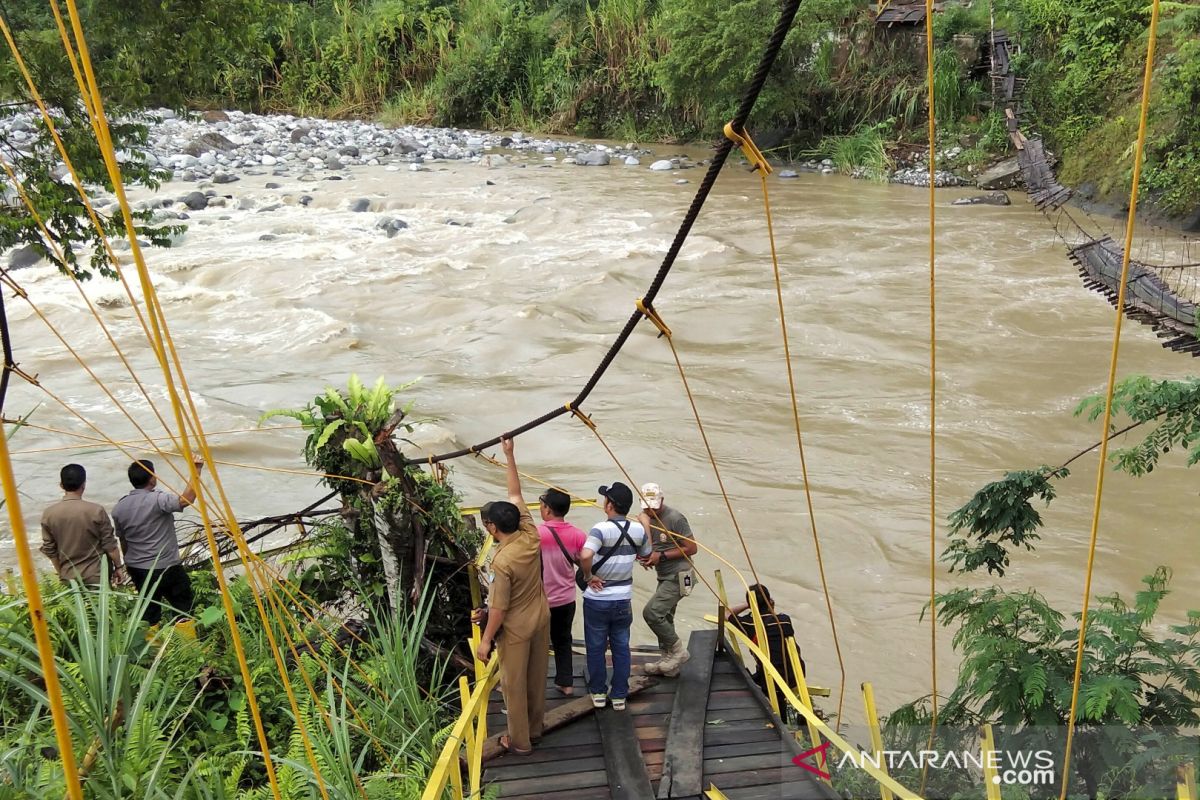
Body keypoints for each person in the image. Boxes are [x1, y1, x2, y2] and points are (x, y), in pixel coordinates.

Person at [472, 437, 550, 756]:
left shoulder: (501, 562)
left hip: (516, 627)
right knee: (536, 677)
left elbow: (499, 608)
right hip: (541, 617)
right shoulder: (530, 533)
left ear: (492, 528)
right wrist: (509, 454)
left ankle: (519, 741)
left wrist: (486, 640)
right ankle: (535, 728)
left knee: (514, 686)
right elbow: (516, 494)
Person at [579, 481, 651, 711]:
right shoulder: (638, 530)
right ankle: (619, 695)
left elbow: (585, 554)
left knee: (596, 646)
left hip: (597, 599)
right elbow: (646, 554)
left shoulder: (600, 528)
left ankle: (599, 692)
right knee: (621, 646)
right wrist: (646, 524)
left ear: (609, 505)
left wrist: (589, 576)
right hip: (623, 599)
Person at [112, 458, 202, 626]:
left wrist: (130, 565)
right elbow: (187, 499)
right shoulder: (159, 500)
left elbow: (123, 540)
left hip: (138, 568)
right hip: (167, 566)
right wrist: (197, 470)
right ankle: (189, 648)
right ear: (152, 478)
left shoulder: (119, 508)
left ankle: (153, 649)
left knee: (150, 614)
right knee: (183, 609)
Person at [636, 482, 698, 677]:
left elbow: (692, 548)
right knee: (666, 616)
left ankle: (678, 652)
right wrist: (647, 558)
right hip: (663, 574)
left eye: (654, 506)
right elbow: (650, 546)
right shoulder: (645, 519)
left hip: (679, 575)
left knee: (652, 613)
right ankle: (668, 660)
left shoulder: (675, 518)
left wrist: (661, 557)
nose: (650, 510)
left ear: (662, 500)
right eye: (646, 506)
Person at [40, 464, 127, 587]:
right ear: (84, 484)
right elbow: (110, 546)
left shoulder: (49, 514)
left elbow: (50, 549)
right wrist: (118, 567)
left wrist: (62, 573)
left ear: (61, 485)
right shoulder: (96, 510)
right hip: (97, 575)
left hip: (69, 576)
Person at [537, 487, 587, 696]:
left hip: (541, 599)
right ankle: (566, 683)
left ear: (547, 509)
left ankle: (534, 687)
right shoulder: (578, 535)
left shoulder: (537, 533)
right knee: (563, 640)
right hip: (566, 598)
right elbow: (584, 561)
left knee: (537, 646)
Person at [727, 584, 803, 713]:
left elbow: (725, 613)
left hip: (770, 679)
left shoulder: (749, 623)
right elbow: (771, 617)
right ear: (769, 600)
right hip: (795, 675)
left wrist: (747, 605)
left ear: (751, 604)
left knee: (742, 678)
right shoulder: (785, 620)